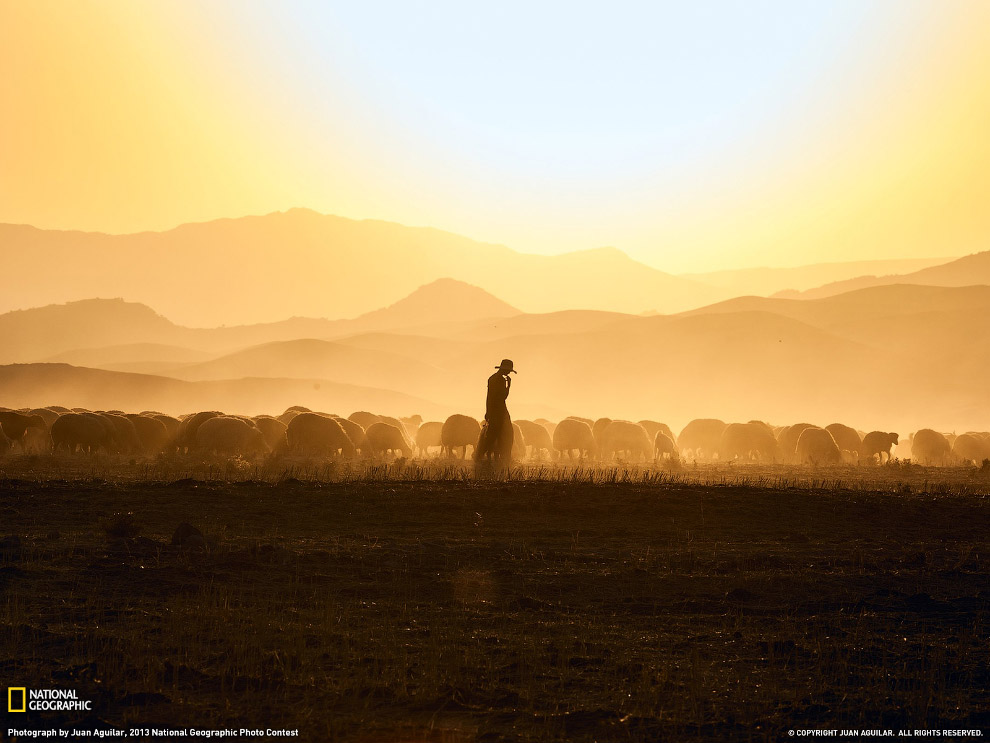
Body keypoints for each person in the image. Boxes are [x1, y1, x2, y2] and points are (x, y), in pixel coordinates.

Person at [478, 358, 516, 463]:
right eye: (508, 370)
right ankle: (504, 458)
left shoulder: (492, 378)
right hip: (500, 410)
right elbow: (503, 397)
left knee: (491, 435)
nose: (509, 373)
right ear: (505, 369)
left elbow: (489, 396)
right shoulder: (501, 380)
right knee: (506, 434)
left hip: (493, 410)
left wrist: (488, 411)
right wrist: (508, 386)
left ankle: (481, 456)